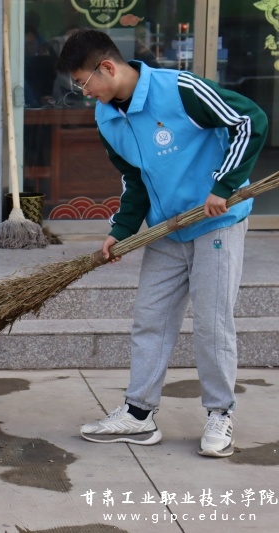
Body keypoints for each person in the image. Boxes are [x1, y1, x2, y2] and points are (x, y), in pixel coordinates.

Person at [55, 29, 267, 458]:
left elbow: (250, 121)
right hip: (168, 229)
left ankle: (220, 413)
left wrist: (224, 186)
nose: (84, 93)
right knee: (150, 319)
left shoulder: (180, 90)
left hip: (216, 222)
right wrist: (121, 230)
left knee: (212, 322)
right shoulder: (107, 118)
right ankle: (139, 413)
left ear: (107, 68)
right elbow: (134, 178)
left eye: (83, 83)